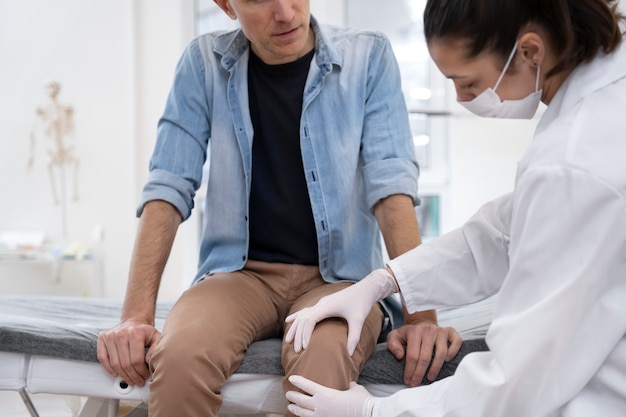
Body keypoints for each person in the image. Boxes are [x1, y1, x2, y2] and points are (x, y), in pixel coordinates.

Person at [96, 0, 464, 416]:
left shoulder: (368, 57)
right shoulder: (202, 64)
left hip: (340, 282)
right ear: (225, 5)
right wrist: (135, 317)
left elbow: (391, 188)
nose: (286, 13)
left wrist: (420, 320)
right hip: (239, 275)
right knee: (180, 356)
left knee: (321, 372)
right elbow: (168, 185)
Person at [285, 0, 626, 416]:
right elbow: (505, 231)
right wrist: (385, 280)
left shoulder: (575, 160)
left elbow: (515, 381)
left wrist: (376, 411)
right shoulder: (596, 108)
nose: (462, 98)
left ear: (530, 51)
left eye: (467, 82)